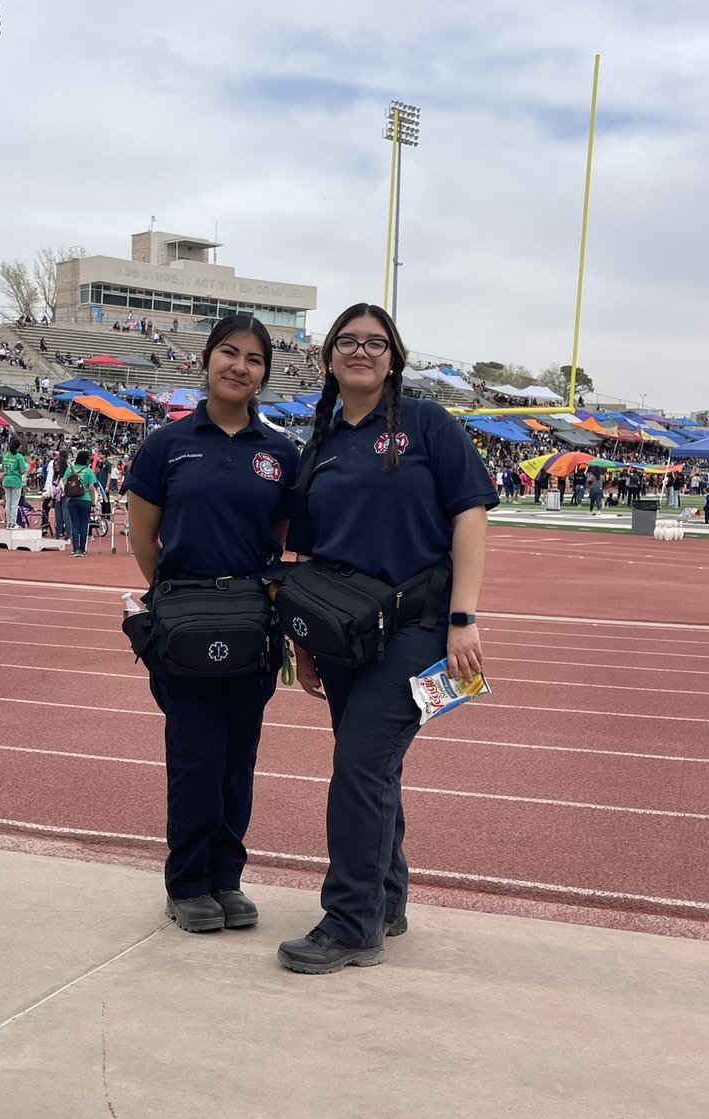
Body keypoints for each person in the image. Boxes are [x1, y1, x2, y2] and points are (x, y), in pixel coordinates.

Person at [275, 302, 499, 974]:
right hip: (345, 637)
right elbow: (306, 557)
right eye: (348, 341)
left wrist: (464, 617)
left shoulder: (427, 425)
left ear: (395, 357)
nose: (362, 351)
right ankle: (386, 899)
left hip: (420, 628)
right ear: (328, 357)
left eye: (376, 342)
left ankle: (351, 923)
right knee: (373, 768)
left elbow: (470, 517)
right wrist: (304, 642)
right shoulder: (318, 446)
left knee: (361, 765)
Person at [124, 315, 298, 934]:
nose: (239, 367)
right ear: (206, 358)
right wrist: (176, 597)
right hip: (186, 622)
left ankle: (228, 877)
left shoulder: (279, 452)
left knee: (237, 760)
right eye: (229, 353)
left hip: (253, 624)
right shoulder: (166, 444)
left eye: (254, 360)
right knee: (195, 756)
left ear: (264, 374)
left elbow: (276, 545)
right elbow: (144, 536)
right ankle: (189, 882)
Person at [60, 450, 99, 557]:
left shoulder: (70, 469)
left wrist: (68, 494)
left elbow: (64, 482)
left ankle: (75, 549)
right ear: (86, 460)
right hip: (85, 499)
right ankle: (82, 549)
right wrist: (93, 502)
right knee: (84, 524)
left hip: (72, 499)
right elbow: (91, 488)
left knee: (75, 524)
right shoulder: (88, 471)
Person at [1, 437, 28, 530]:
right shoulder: (19, 457)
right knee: (14, 503)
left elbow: (3, 469)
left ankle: (8, 522)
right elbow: (23, 470)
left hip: (6, 480)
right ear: (19, 446)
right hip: (16, 481)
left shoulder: (6, 456)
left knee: (8, 502)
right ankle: (13, 523)